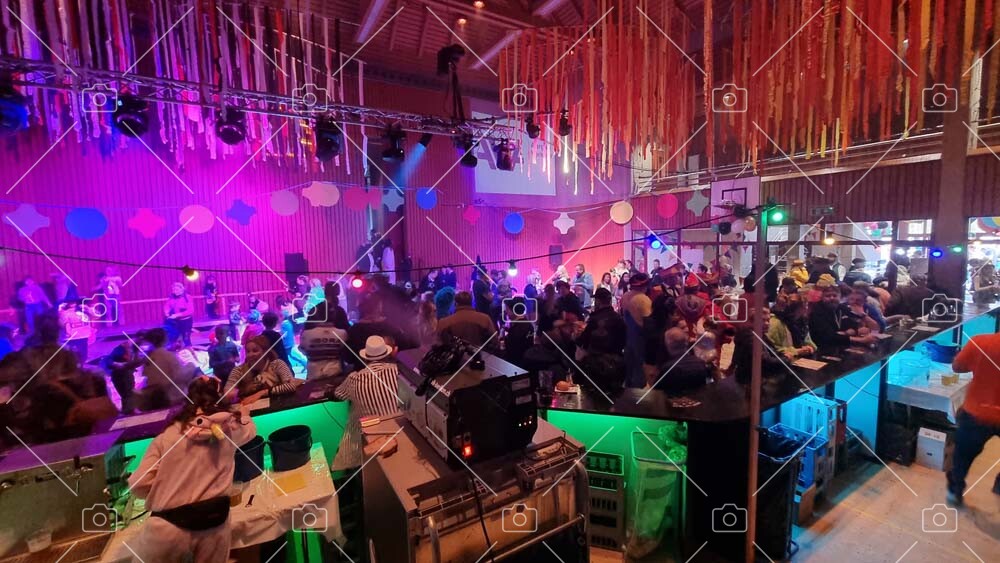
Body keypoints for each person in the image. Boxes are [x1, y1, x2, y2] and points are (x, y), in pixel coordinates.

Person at [128, 376, 255, 563]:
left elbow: (138, 484)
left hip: (167, 529)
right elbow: (250, 430)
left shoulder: (169, 435)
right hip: (215, 526)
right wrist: (244, 414)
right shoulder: (230, 429)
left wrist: (167, 487)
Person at [332, 336, 402, 470]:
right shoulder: (399, 372)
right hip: (400, 435)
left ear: (365, 358)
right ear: (388, 353)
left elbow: (337, 395)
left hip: (367, 442)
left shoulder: (353, 378)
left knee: (353, 425)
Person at [946, 331, 1000, 505]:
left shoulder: (980, 342)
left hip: (977, 411)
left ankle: (955, 489)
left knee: (963, 455)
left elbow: (957, 367)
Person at [227, 336, 299, 402]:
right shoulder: (239, 370)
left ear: (265, 352)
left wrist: (263, 392)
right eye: (248, 351)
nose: (250, 354)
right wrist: (232, 394)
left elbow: (291, 386)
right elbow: (227, 393)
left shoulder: (277, 364)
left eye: (255, 351)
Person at [139, 328, 194, 409]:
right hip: (170, 395)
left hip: (154, 394)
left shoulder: (148, 356)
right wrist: (191, 366)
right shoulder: (168, 356)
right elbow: (179, 376)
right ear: (164, 339)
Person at [809, 286, 878, 349]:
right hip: (823, 348)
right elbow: (828, 336)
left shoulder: (842, 308)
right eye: (828, 296)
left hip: (842, 346)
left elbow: (873, 328)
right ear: (822, 298)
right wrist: (861, 340)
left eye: (834, 295)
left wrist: (862, 317)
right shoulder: (816, 311)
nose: (832, 298)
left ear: (840, 297)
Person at [655, 328, 714, 395]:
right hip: (701, 400)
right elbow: (710, 385)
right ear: (686, 343)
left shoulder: (668, 369)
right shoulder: (702, 364)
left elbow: (657, 392)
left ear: (668, 344)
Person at [622, 274, 653, 388]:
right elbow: (648, 321)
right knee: (640, 366)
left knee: (629, 365)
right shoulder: (643, 299)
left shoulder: (626, 295)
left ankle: (628, 390)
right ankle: (638, 392)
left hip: (628, 334)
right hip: (640, 335)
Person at [299, 310, 348, 380]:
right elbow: (345, 353)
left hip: (313, 374)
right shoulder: (342, 333)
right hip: (335, 374)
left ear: (317, 316)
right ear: (334, 316)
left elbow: (302, 350)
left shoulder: (307, 333)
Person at [577, 288, 626, 356]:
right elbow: (624, 340)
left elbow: (583, 340)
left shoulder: (594, 319)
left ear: (598, 301)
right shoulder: (619, 318)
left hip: (597, 358)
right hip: (617, 357)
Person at [768, 294, 816, 359]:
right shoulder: (775, 323)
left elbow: (808, 341)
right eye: (805, 306)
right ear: (799, 309)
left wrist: (810, 348)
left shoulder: (801, 322)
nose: (806, 309)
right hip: (783, 361)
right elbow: (772, 349)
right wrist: (797, 351)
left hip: (799, 358)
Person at [103, 340, 143, 414]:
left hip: (122, 376)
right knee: (127, 396)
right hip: (122, 376)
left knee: (127, 396)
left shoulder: (129, 351)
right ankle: (128, 411)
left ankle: (127, 411)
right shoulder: (121, 352)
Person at [57, 299, 94, 363]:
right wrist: (60, 311)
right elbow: (62, 324)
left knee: (82, 357)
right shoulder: (64, 313)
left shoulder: (84, 310)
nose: (73, 303)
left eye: (74, 301)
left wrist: (88, 308)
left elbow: (96, 316)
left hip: (82, 336)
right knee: (73, 358)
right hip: (71, 338)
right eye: (70, 302)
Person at [164, 282, 194, 347]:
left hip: (186, 322)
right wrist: (167, 312)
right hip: (176, 321)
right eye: (174, 290)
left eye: (177, 289)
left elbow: (190, 310)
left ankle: (189, 350)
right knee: (173, 338)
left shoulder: (187, 297)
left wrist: (177, 315)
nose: (175, 291)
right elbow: (167, 306)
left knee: (186, 339)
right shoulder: (171, 297)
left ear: (182, 289)